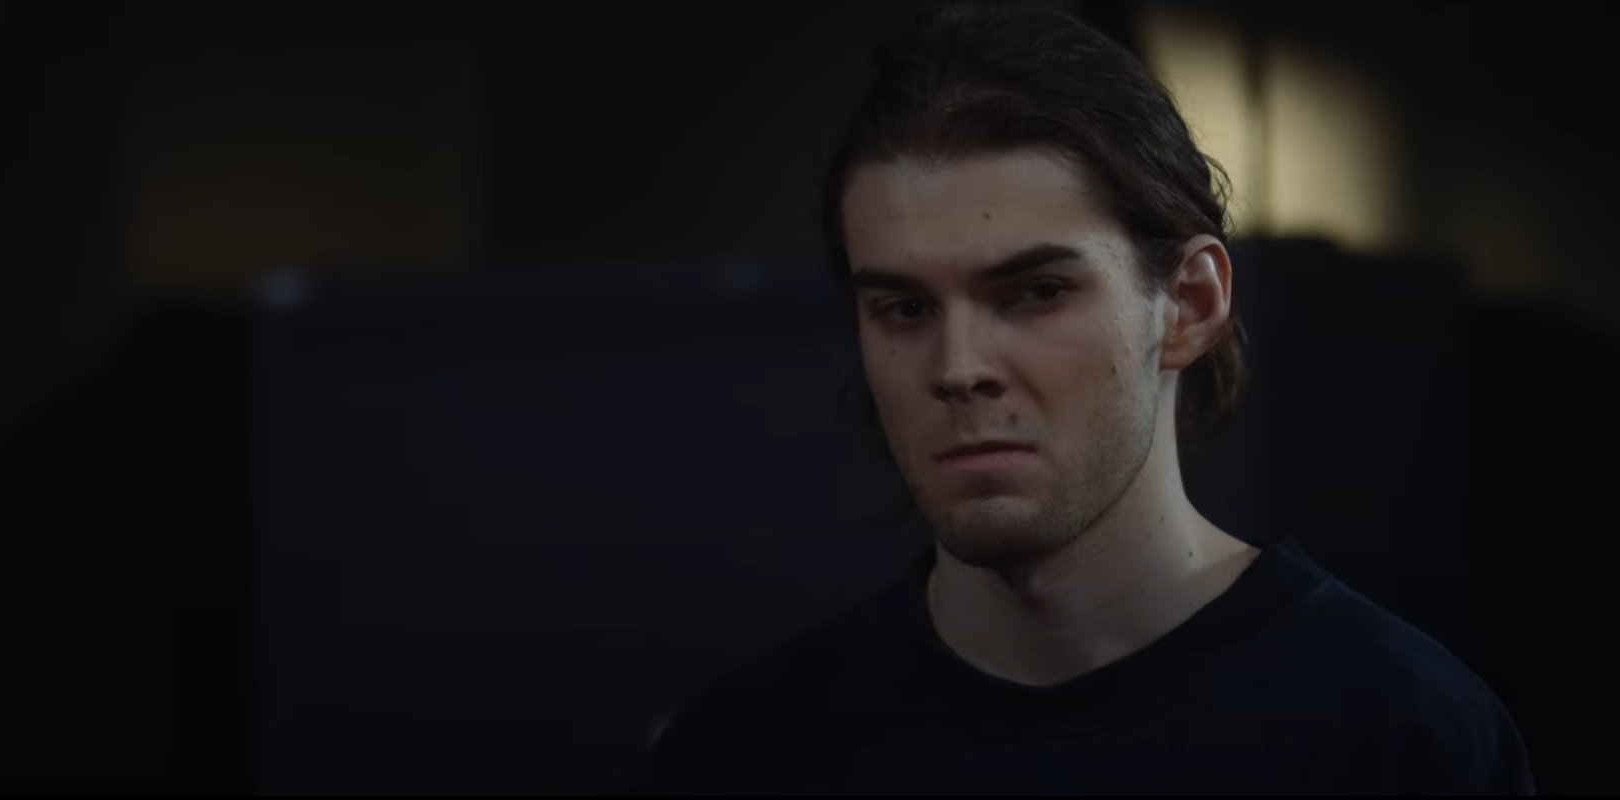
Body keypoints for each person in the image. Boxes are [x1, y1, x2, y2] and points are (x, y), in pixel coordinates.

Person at [638, 1, 1533, 794]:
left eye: (1035, 293)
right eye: (904, 308)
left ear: (1189, 305)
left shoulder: (1397, 733)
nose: (957, 366)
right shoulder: (741, 754)